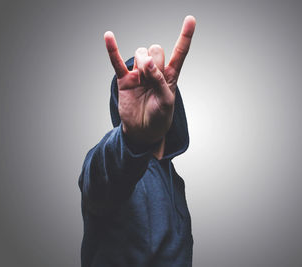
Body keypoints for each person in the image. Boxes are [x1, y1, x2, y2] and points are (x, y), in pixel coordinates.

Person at [78, 15, 196, 267]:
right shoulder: (109, 164)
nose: (149, 97)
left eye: (155, 87)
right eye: (141, 90)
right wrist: (133, 138)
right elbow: (101, 180)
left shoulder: (176, 182)